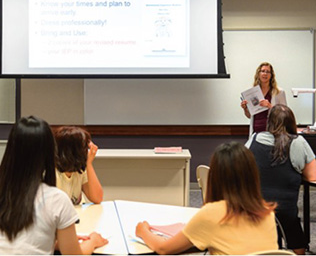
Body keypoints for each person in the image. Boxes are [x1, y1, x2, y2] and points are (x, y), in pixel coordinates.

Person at [0, 116, 108, 255]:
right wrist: (93, 241)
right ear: (50, 152)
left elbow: (8, 245)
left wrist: (57, 241)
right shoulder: (56, 199)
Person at [135, 142, 278, 255]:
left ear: (215, 176)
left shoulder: (212, 213)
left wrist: (143, 231)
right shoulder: (266, 212)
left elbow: (163, 249)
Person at [246, 104, 316, 254]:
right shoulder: (298, 142)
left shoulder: (254, 138)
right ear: (292, 121)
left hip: (255, 207)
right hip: (285, 210)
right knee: (296, 239)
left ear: (269, 122)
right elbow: (312, 176)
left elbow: (242, 165)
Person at [55, 126, 103, 205]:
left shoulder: (79, 170)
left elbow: (97, 198)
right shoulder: (51, 173)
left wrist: (89, 164)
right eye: (85, 148)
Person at [241, 62, 287, 136]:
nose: (265, 74)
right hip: (255, 132)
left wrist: (270, 106)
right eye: (262, 71)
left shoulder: (279, 92)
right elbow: (250, 116)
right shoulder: (252, 92)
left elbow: (284, 114)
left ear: (271, 75)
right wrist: (245, 109)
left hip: (271, 132)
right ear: (258, 74)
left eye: (268, 72)